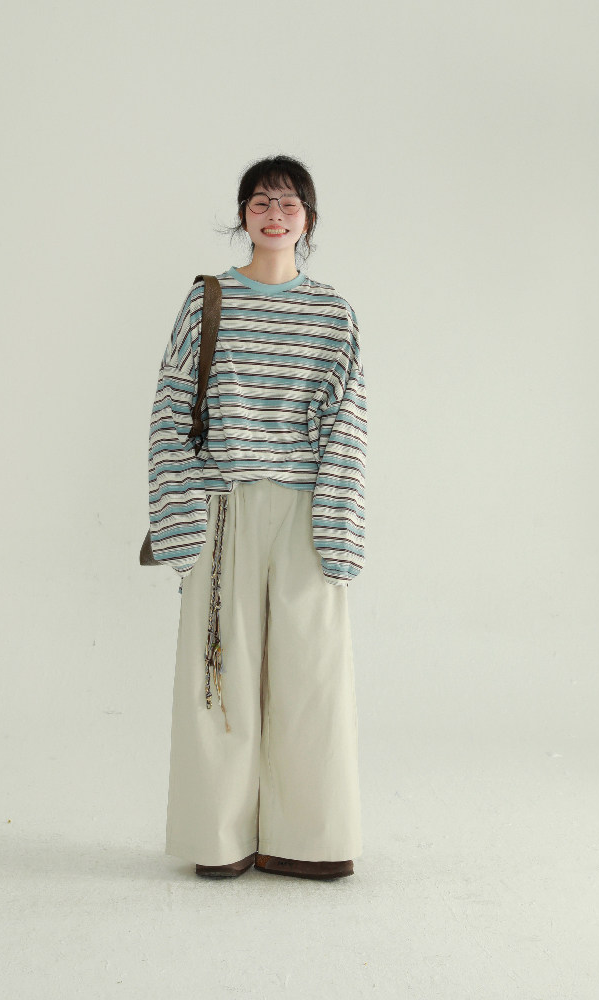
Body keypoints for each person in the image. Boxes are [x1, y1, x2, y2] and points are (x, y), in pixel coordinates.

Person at [147, 154, 367, 881]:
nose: (275, 215)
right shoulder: (205, 301)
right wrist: (180, 522)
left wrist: (339, 532)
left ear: (308, 219)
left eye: (289, 204)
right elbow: (171, 411)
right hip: (224, 505)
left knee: (313, 677)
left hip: (308, 506)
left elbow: (347, 425)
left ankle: (311, 839)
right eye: (261, 202)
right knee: (220, 674)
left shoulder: (333, 312)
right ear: (242, 214)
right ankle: (220, 840)